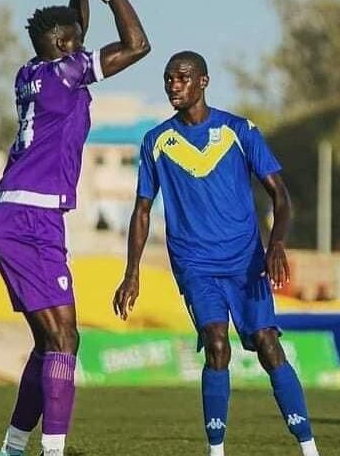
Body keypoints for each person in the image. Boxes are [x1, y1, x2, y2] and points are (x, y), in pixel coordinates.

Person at [112, 51, 319, 456]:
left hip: (246, 261)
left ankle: (309, 447)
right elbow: (142, 210)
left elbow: (280, 195)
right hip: (195, 264)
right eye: (169, 78)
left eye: (183, 78)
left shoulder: (238, 131)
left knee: (267, 343)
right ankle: (216, 450)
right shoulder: (156, 141)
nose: (174, 85)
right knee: (217, 343)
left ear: (203, 82)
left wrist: (276, 243)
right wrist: (131, 272)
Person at [0, 0, 150, 454]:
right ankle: (49, 452)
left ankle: (14, 448)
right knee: (65, 341)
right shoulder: (65, 71)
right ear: (63, 46)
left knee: (52, 342)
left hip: (20, 215)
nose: (83, 46)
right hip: (30, 221)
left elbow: (72, 33)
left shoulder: (33, 72)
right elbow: (139, 44)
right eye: (76, 42)